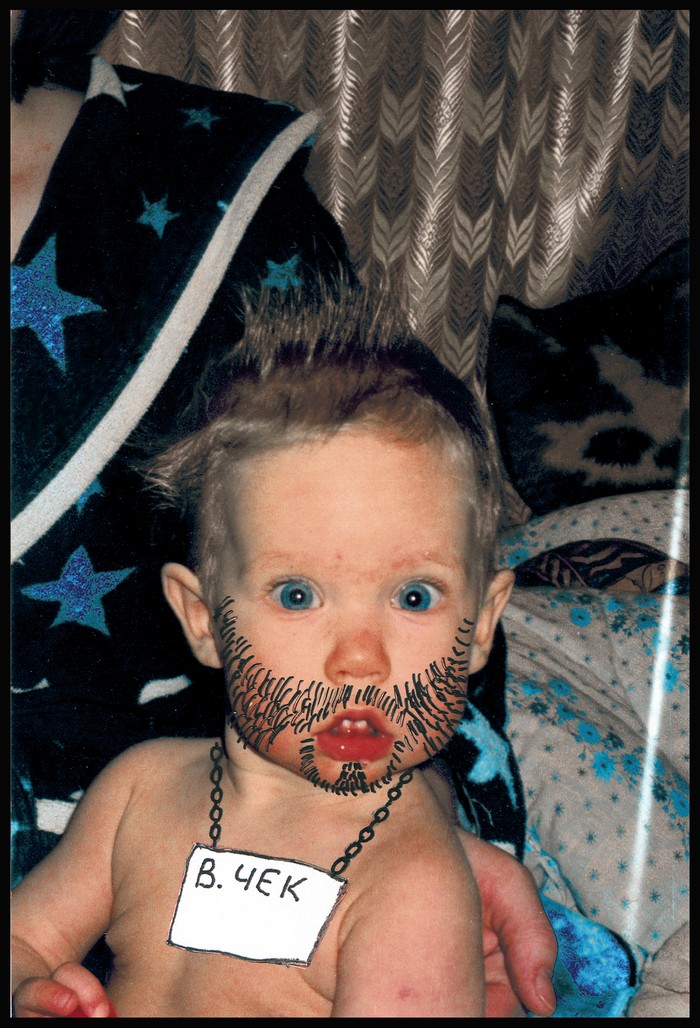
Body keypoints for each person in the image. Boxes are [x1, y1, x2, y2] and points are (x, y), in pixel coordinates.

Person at [11, 11, 556, 1014]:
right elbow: (23, 935)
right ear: (199, 616)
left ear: (484, 624)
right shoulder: (137, 793)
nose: (359, 658)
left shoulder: (413, 879)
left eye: (416, 596)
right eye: (297, 593)